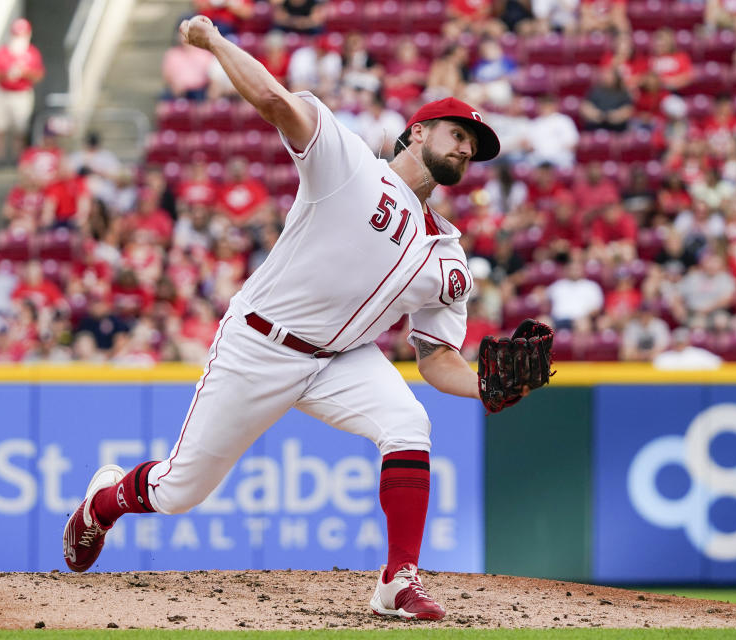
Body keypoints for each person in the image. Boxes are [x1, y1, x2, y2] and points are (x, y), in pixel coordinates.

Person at [63, 14, 522, 624]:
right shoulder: (352, 167)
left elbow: (436, 358)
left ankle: (397, 581)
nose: (466, 147)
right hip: (261, 344)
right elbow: (277, 100)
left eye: (475, 145)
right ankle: (103, 501)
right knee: (179, 491)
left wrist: (487, 384)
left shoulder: (449, 255)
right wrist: (217, 42)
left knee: (409, 421)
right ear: (418, 131)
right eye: (457, 132)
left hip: (341, 360)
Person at [0, 18, 45, 163]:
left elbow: (39, 75)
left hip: (21, 93)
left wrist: (25, 73)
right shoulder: (3, 52)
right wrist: (5, 74)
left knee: (19, 130)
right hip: (3, 92)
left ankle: (17, 159)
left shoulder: (32, 52)